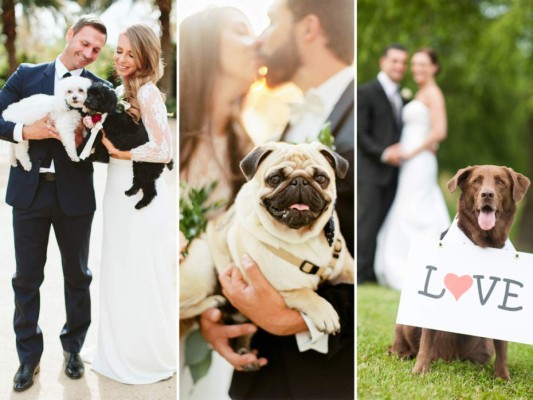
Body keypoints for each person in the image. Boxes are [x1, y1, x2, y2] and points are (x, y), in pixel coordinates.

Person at [199, 1, 355, 398]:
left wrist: (292, 317)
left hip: (325, 377)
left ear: (308, 29)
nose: (259, 39)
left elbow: (378, 272)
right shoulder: (280, 126)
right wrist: (211, 313)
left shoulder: (362, 114)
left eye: (270, 23)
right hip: (258, 371)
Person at [0, 16, 107, 392]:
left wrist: (87, 136)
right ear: (70, 35)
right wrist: (23, 131)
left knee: (78, 276)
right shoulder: (28, 74)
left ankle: (73, 348)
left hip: (75, 197)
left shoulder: (99, 88)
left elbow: (107, 151)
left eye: (96, 49)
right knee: (26, 278)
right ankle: (28, 357)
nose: (88, 53)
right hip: (29, 194)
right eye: (85, 43)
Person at [89, 24, 176, 384]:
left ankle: (143, 353)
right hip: (116, 192)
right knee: (120, 269)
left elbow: (164, 149)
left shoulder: (150, 93)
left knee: (140, 271)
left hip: (141, 195)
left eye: (130, 53)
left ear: (145, 57)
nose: (121, 59)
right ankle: (117, 347)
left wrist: (119, 151)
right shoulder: (121, 92)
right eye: (118, 51)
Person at [179, 7, 257, 398]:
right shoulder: (172, 138)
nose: (256, 42)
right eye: (241, 31)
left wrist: (208, 315)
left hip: (214, 326)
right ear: (206, 45)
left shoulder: (249, 149)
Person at [374, 48, 450, 291]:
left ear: (434, 68)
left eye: (423, 65)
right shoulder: (420, 93)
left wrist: (411, 151)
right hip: (410, 160)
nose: (417, 69)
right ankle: (401, 264)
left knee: (418, 210)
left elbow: (439, 131)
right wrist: (402, 147)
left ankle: (419, 268)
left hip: (419, 162)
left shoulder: (434, 93)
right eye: (415, 65)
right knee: (406, 207)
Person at [357, 44, 409, 285]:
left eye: (402, 62)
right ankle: (360, 273)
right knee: (366, 223)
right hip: (371, 171)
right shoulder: (366, 92)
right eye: (394, 61)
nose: (399, 66)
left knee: (382, 223)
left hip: (394, 173)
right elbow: (360, 133)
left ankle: (371, 270)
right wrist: (383, 153)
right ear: (383, 62)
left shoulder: (400, 96)